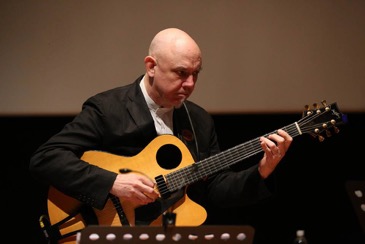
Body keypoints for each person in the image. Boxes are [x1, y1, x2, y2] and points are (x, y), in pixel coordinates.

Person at [29, 27, 292, 242]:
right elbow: (47, 158)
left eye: (195, 74)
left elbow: (215, 189)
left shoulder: (198, 120)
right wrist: (112, 183)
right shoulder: (108, 109)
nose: (189, 84)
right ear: (151, 66)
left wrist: (262, 170)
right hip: (105, 231)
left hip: (168, 233)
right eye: (180, 73)